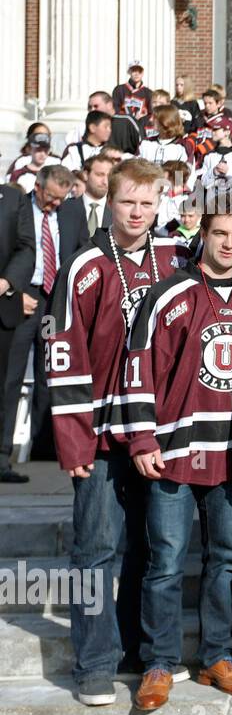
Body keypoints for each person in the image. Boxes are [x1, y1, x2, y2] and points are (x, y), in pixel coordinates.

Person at [47, 158, 190, 706]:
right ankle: (93, 663)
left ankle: (139, 649)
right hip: (102, 436)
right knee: (95, 548)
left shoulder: (176, 257)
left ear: (159, 205)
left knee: (151, 548)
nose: (137, 212)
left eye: (147, 203)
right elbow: (63, 352)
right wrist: (73, 438)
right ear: (110, 198)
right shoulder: (84, 263)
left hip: (155, 434)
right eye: (129, 201)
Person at [115, 209, 232, 710]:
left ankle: (217, 655)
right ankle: (159, 662)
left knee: (226, 558)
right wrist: (141, 439)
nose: (228, 243)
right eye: (220, 233)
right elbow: (137, 368)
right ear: (203, 235)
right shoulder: (167, 293)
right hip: (174, 450)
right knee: (167, 560)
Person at [0, 165, 87, 482]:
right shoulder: (16, 208)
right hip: (23, 299)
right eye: (50, 197)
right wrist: (14, 291)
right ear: (37, 187)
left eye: (60, 199)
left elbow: (81, 252)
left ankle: (47, 448)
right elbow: (12, 253)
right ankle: (2, 456)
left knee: (52, 374)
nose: (54, 204)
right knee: (10, 378)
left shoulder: (71, 212)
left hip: (56, 301)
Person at [0, 181, 36, 483]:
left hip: (2, 305)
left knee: (6, 385)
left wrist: (7, 282)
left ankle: (1, 459)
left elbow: (26, 246)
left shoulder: (13, 199)